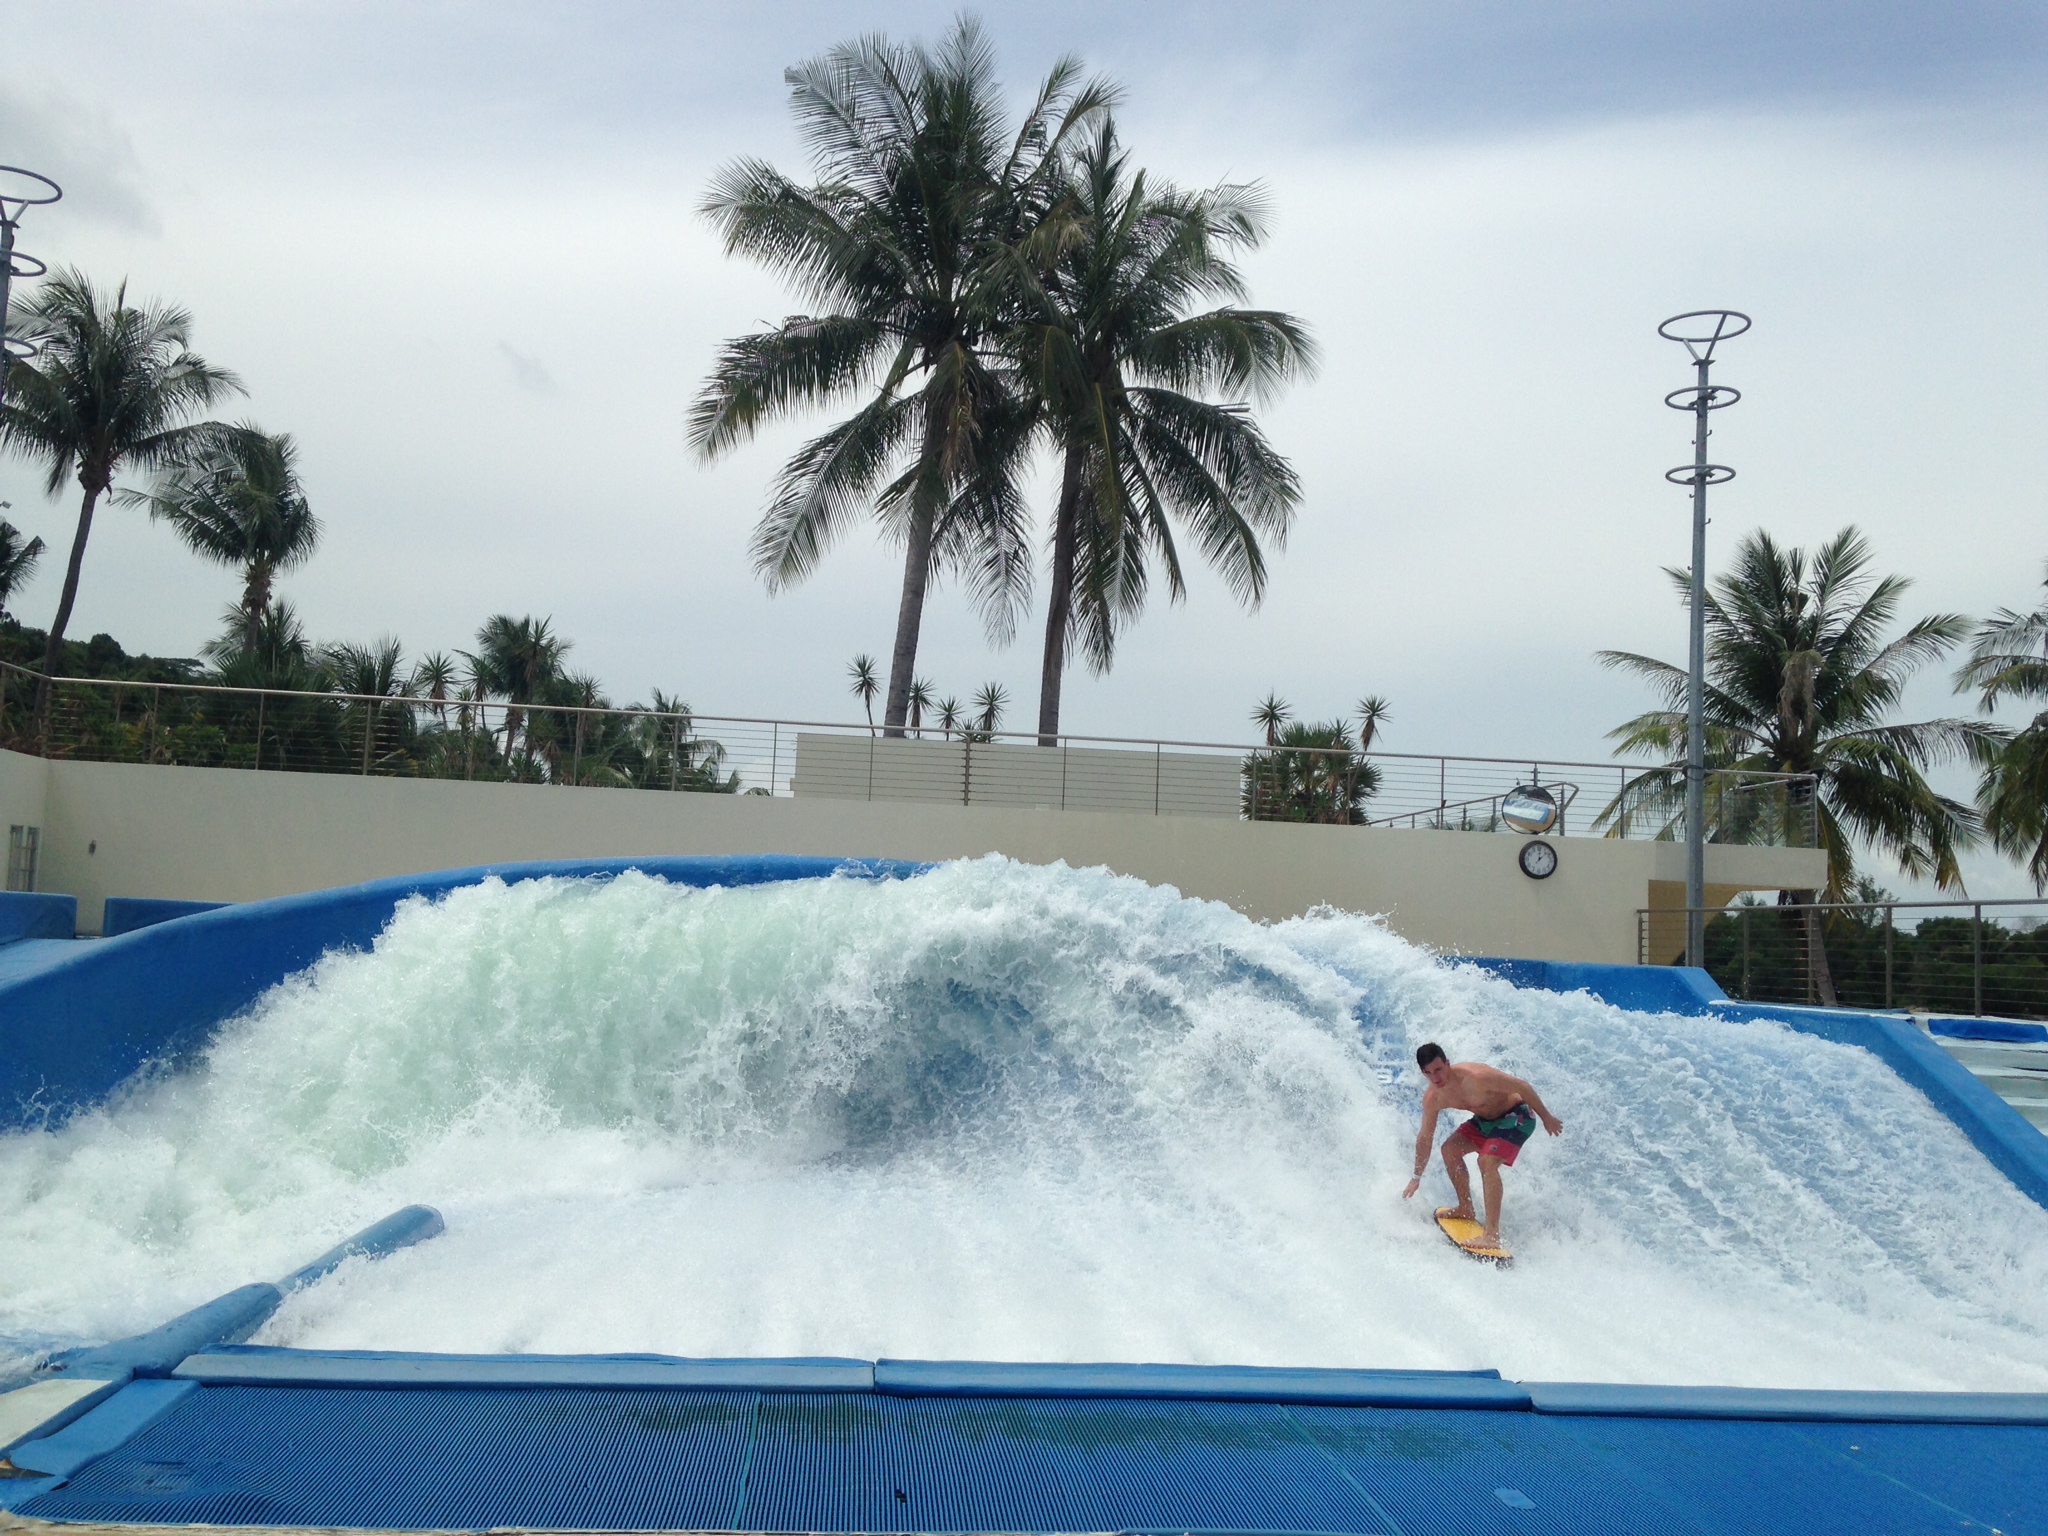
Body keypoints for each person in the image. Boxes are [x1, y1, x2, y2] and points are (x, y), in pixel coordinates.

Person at [1399, 1041, 1562, 1252]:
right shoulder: (1434, 1098)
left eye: (1439, 1069)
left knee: (1486, 1161)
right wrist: (1416, 1177)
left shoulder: (1477, 1077)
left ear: (1448, 1064)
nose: (1436, 1077)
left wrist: (1547, 1118)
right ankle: (1466, 1208)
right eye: (1429, 1073)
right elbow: (1425, 1137)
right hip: (1485, 1122)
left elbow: (1521, 1086)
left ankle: (1492, 1235)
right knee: (1449, 1150)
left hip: (1517, 1116)